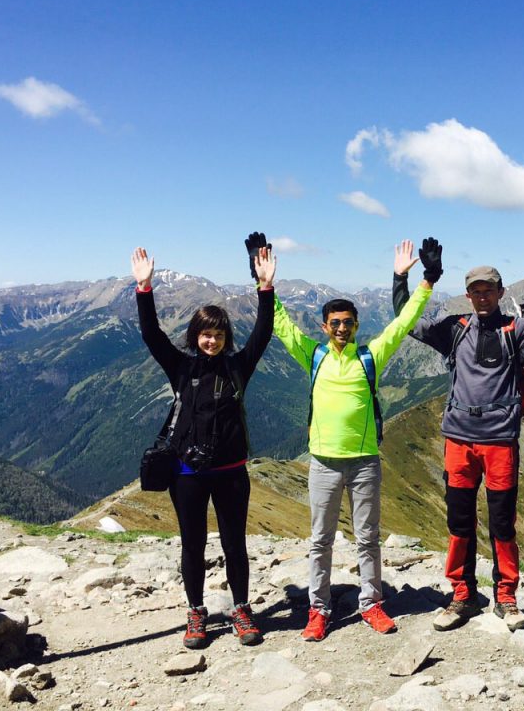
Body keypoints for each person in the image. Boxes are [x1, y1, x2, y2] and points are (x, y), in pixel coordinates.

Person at [393, 243, 524, 632]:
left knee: (503, 523)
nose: (482, 296)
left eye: (489, 290)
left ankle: (507, 597)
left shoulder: (519, 329)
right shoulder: (455, 329)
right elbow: (404, 319)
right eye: (476, 291)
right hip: (458, 440)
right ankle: (461, 595)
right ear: (468, 295)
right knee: (459, 523)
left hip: (499, 442)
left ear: (500, 292)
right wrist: (402, 278)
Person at [268, 237, 440, 642]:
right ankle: (319, 609)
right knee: (321, 540)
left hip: (365, 461)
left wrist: (427, 280)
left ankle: (371, 604)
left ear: (356, 325)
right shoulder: (313, 354)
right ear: (324, 326)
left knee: (368, 537)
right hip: (323, 463)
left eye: (348, 322)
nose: (342, 328)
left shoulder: (370, 356)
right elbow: (281, 326)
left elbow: (401, 325)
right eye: (335, 323)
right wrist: (266, 285)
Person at [131, 245, 277, 650]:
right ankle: (196, 613)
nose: (212, 340)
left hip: (231, 472)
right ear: (195, 336)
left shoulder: (237, 366)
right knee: (192, 544)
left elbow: (263, 333)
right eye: (205, 333)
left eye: (218, 334)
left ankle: (241, 609)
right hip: (187, 473)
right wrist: (144, 288)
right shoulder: (181, 367)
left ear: (227, 337)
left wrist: (266, 287)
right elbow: (151, 335)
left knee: (235, 544)